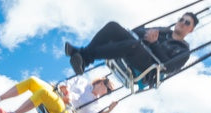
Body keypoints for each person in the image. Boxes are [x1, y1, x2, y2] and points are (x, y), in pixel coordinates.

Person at [65, 13, 198, 83]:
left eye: (187, 23)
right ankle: (84, 59)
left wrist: (154, 43)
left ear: (191, 30)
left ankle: (83, 56)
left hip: (148, 67)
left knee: (134, 45)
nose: (182, 23)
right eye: (181, 19)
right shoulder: (163, 31)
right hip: (138, 48)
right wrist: (146, 35)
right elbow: (138, 32)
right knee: (113, 26)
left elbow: (168, 67)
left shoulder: (183, 51)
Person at [0, 75, 116, 113]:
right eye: (107, 87)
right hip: (59, 95)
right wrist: (65, 90)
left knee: (44, 93)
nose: (106, 92)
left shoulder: (95, 104)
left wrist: (109, 110)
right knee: (32, 80)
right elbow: (64, 82)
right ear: (101, 82)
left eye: (108, 92)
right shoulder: (83, 82)